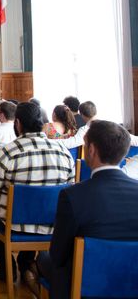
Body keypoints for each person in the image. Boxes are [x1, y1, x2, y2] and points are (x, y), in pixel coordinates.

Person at [35, 121, 138, 298]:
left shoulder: (72, 195)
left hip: (87, 280)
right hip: (132, 279)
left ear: (91, 150)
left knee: (44, 258)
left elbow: (58, 254)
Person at [0, 102, 74, 290]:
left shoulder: (7, 152)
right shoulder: (64, 152)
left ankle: (7, 266)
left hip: (12, 222)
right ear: (43, 123)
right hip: (51, 224)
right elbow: (69, 192)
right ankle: (27, 261)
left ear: (19, 124)